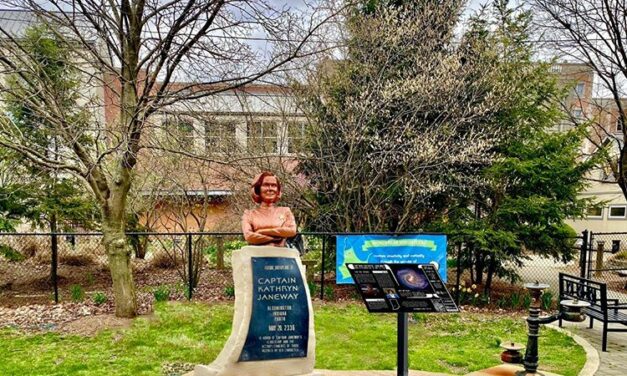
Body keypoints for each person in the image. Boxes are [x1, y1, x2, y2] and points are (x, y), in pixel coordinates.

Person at [241, 172, 296, 247]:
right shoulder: (249, 214)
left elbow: (292, 231)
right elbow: (249, 237)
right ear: (258, 189)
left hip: (281, 254)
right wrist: (277, 238)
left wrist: (261, 231)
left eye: (274, 185)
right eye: (266, 185)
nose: (270, 189)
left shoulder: (285, 211)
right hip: (256, 254)